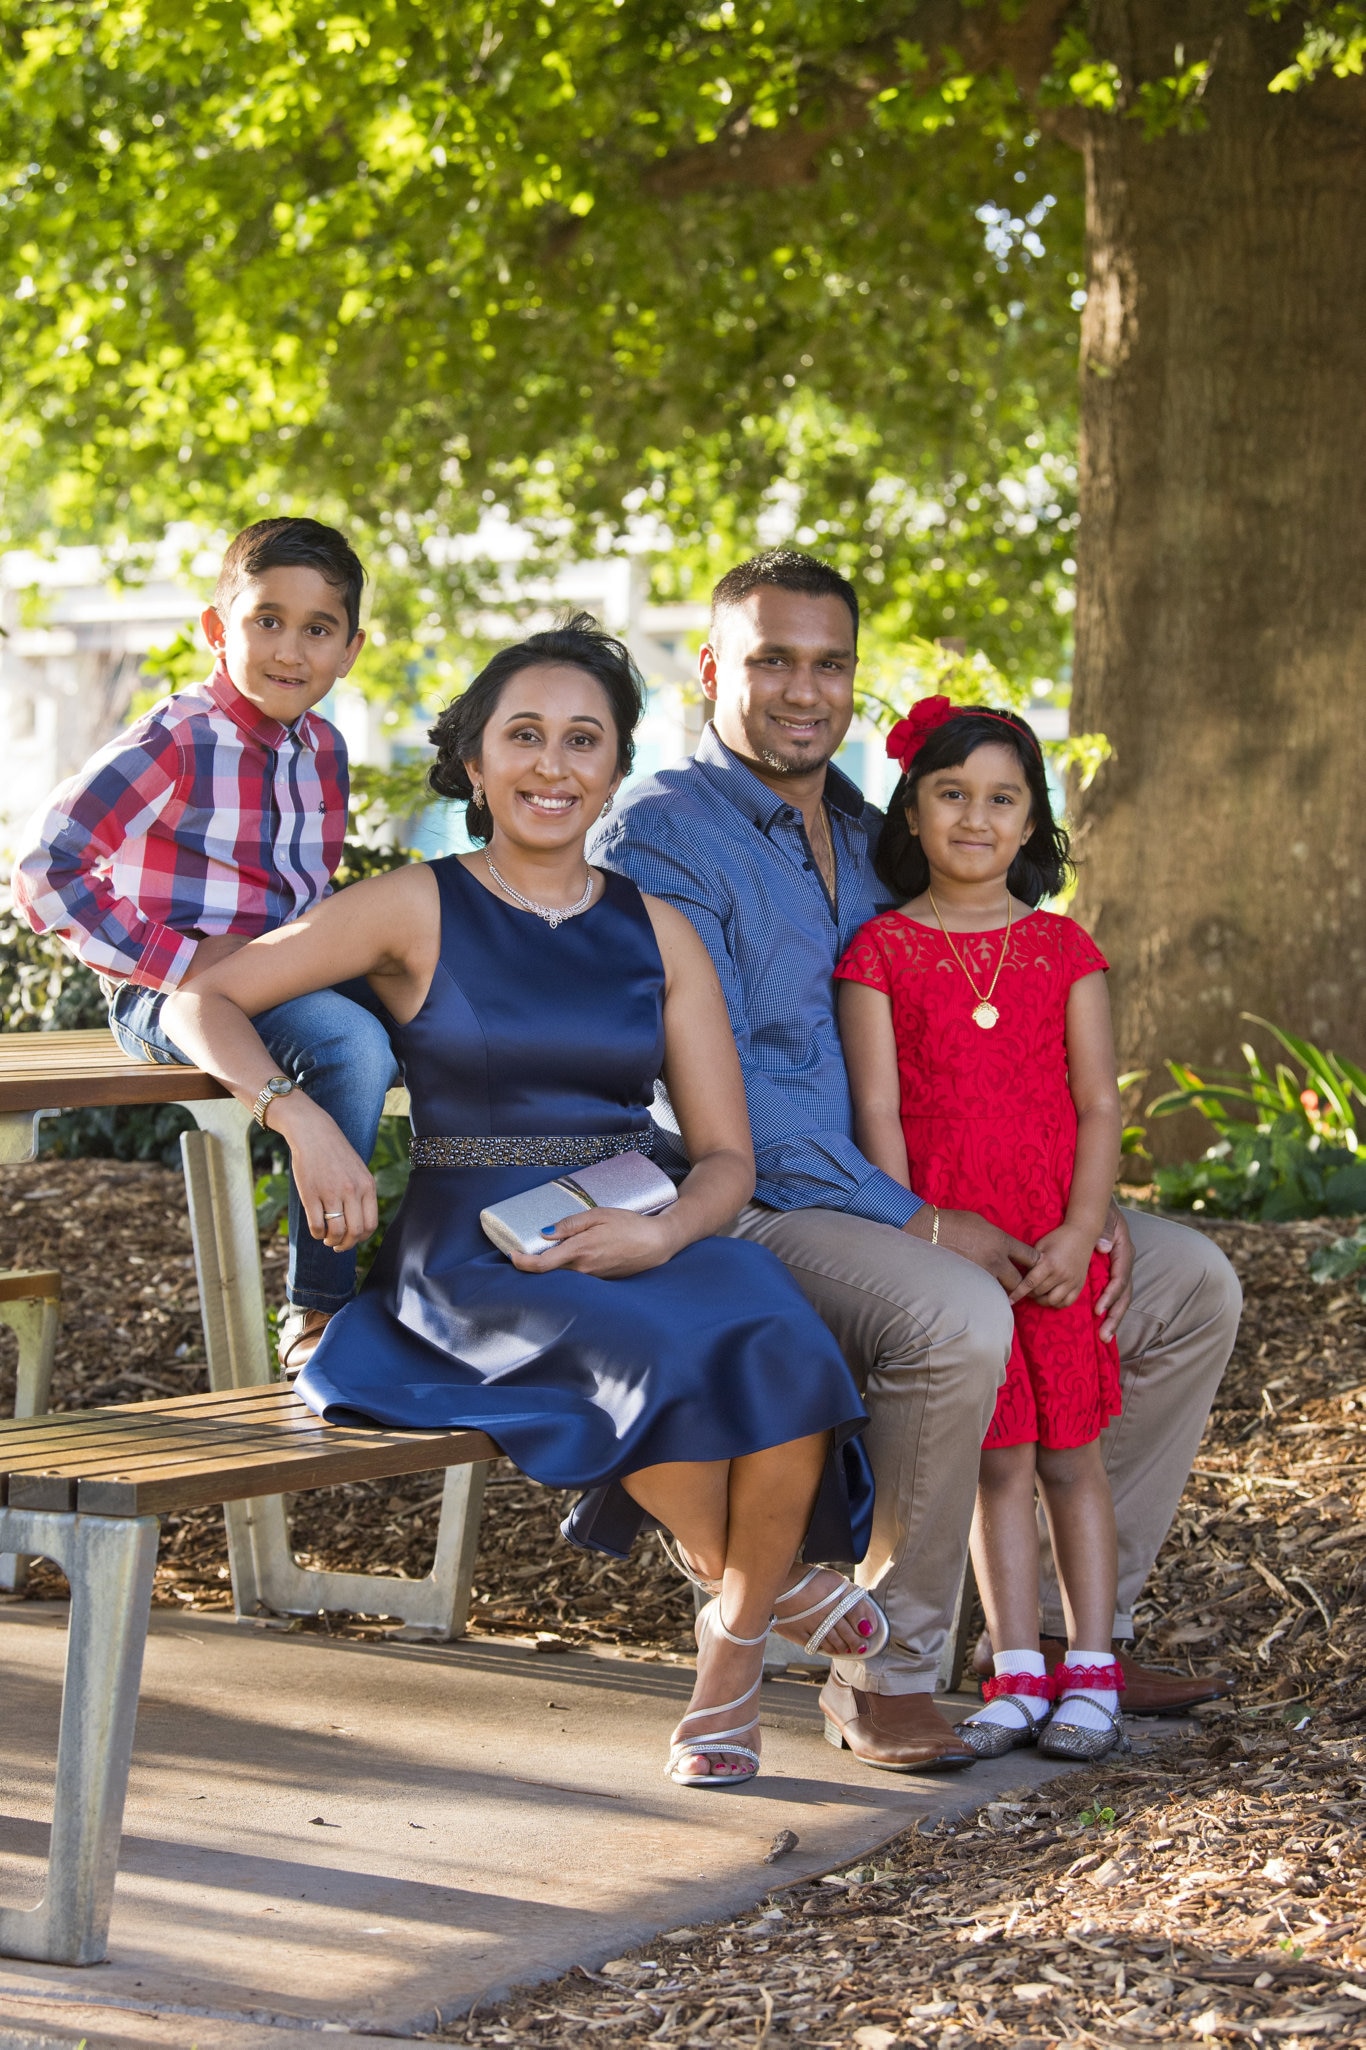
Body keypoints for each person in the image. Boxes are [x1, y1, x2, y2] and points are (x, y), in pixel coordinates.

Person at [162, 614, 880, 1790]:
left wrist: (662, 1231)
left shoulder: (660, 931)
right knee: (644, 1355)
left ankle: (731, 1652)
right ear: (477, 761)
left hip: (637, 1208)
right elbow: (207, 998)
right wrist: (296, 1118)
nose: (553, 765)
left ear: (613, 769)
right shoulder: (416, 904)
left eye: (583, 741)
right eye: (526, 736)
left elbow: (725, 1161)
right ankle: (759, 1596)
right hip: (478, 1245)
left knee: (774, 1323)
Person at [596, 548, 1242, 1774]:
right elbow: (715, 1081)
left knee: (1187, 1284)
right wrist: (919, 1216)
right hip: (766, 1199)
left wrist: (1079, 1209)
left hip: (954, 1184)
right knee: (956, 1315)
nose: (802, 688)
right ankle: (885, 1666)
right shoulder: (665, 836)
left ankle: (1064, 1639)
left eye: (827, 662)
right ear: (710, 669)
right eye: (770, 659)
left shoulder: (868, 820)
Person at [12, 517, 398, 1372]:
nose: (290, 650)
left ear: (350, 651)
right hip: (162, 992)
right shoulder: (178, 739)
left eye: (317, 628)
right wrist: (181, 961)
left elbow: (306, 896)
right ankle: (318, 1313)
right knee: (352, 1044)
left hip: (282, 976)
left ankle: (446, 1276)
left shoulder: (323, 750)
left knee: (452, 1008)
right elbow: (44, 870)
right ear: (217, 629)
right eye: (267, 620)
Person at [837, 696, 1131, 1764]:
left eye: (1001, 798)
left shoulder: (1063, 948)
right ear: (910, 813)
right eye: (950, 794)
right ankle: (1012, 1671)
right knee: (996, 1461)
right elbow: (876, 1114)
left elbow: (1098, 1103)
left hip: (1050, 1240)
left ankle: (1090, 1666)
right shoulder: (881, 950)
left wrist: (1083, 1229)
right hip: (957, 1246)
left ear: (1032, 822)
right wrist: (917, 1246)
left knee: (1070, 1456)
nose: (974, 817)